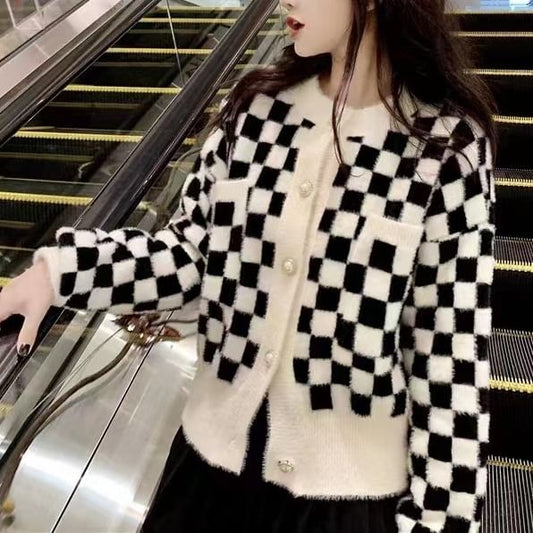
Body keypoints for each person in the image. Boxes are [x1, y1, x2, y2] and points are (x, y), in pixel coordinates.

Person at [0, 0, 497, 532]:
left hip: (343, 500)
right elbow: (189, 253)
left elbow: (448, 358)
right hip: (205, 475)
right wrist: (59, 272)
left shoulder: (447, 150)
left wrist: (438, 521)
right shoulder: (256, 109)